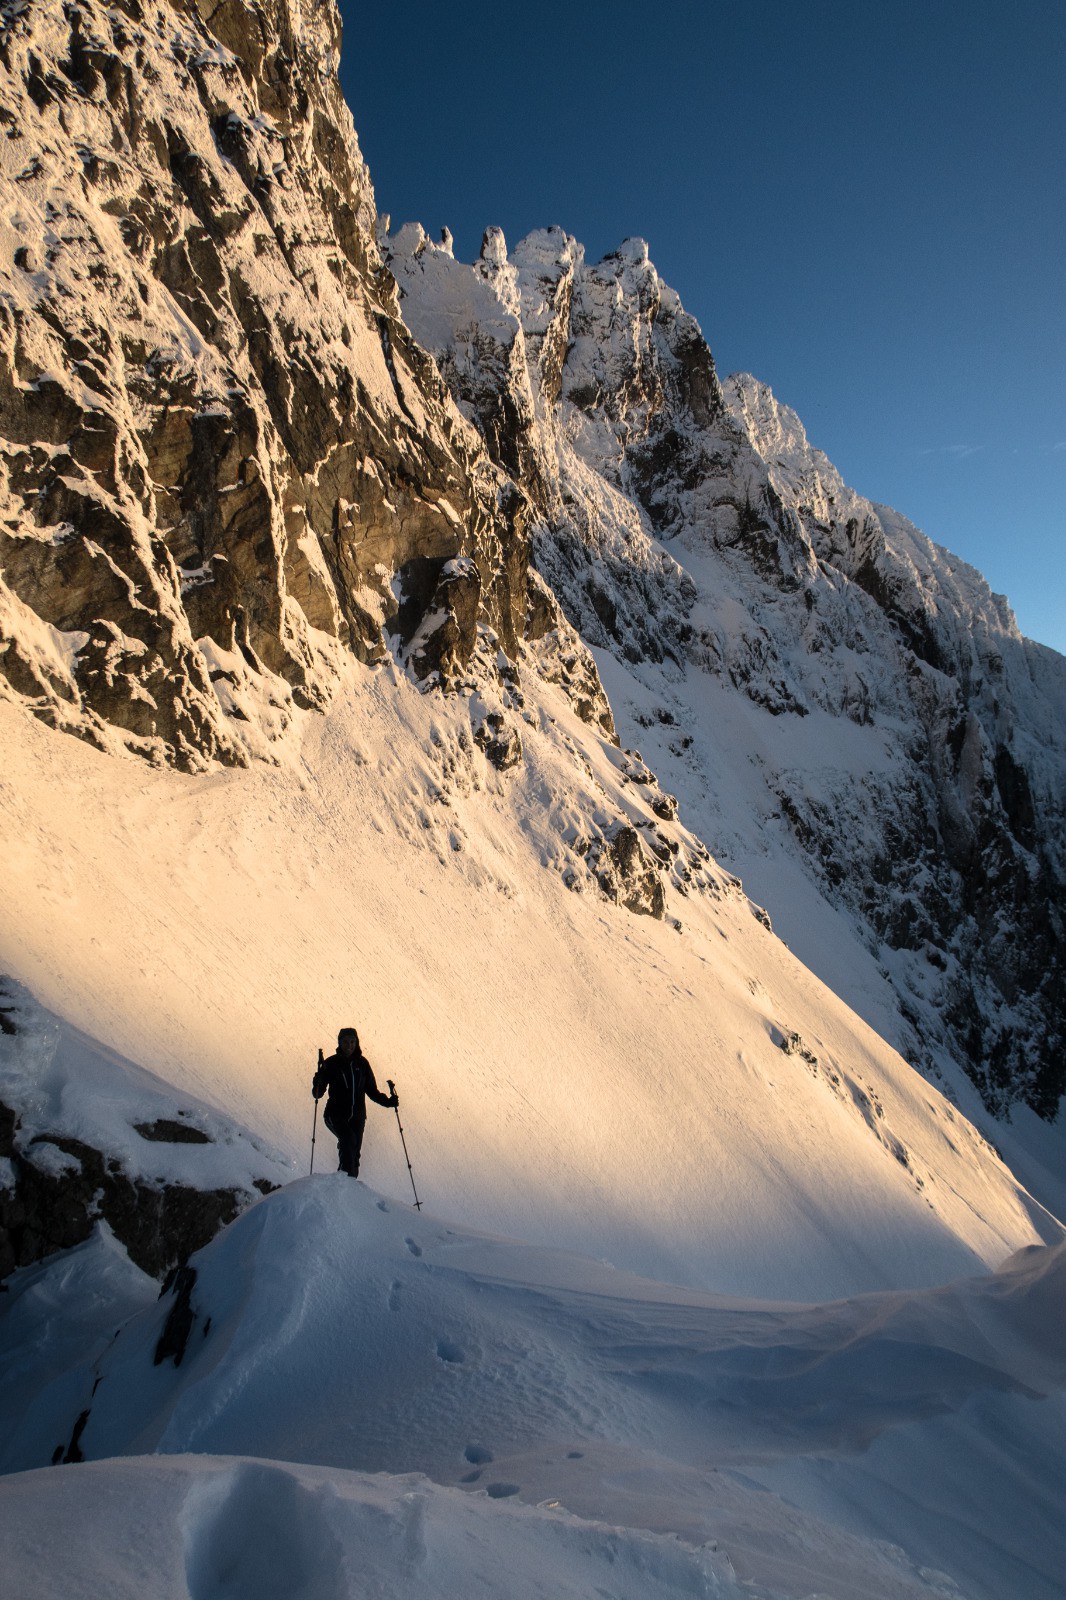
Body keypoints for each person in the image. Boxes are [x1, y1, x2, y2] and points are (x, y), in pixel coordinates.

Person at [312, 1027, 397, 1177]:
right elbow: (317, 1094)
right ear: (339, 1043)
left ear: (357, 1043)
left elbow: (371, 1091)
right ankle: (343, 1182)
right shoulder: (331, 1063)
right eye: (346, 1042)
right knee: (348, 1140)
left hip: (358, 1117)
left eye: (352, 1042)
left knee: (354, 1154)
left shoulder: (362, 1064)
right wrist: (318, 1081)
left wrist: (389, 1102)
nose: (349, 1045)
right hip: (335, 1115)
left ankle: (349, 1185)